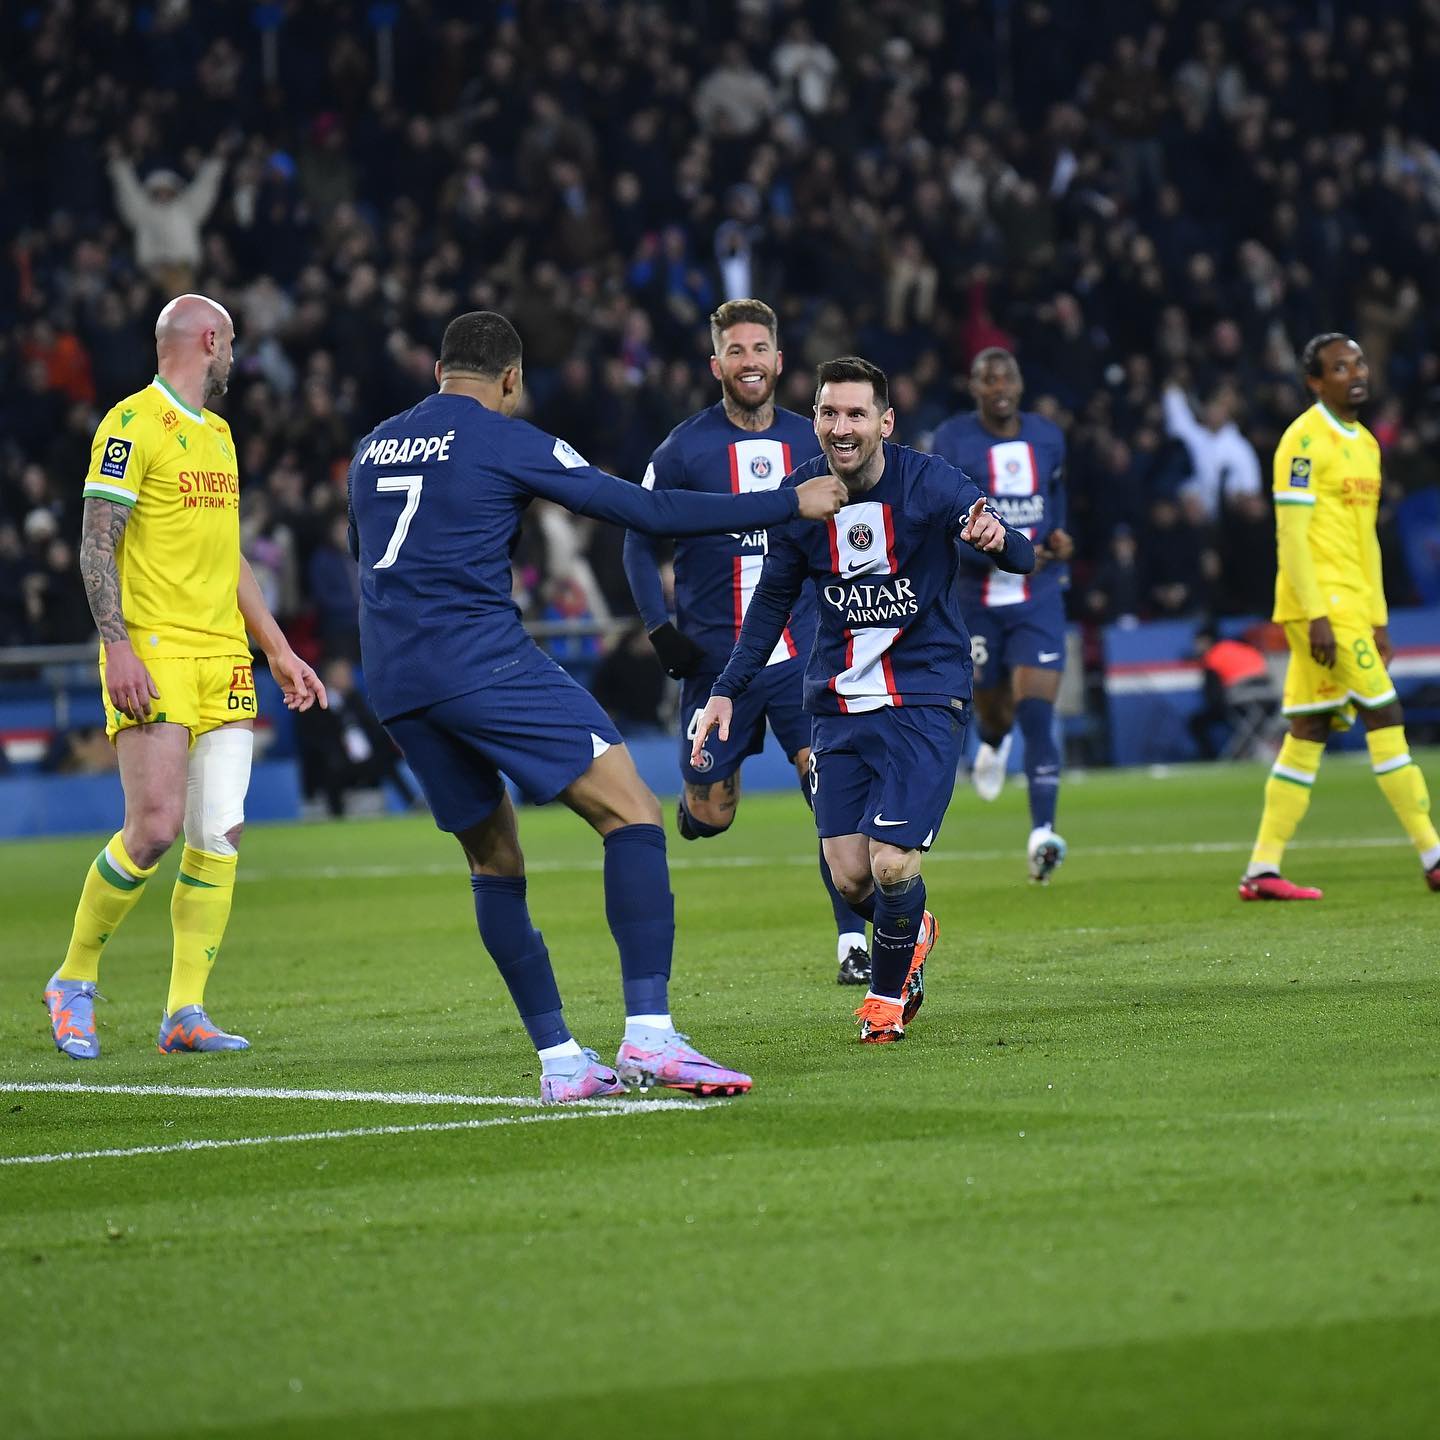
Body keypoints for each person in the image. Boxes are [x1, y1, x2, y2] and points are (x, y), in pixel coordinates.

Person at [347, 311, 848, 1101]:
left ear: (439, 370)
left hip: (396, 678)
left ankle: (561, 1062)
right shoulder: (503, 435)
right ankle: (650, 1037)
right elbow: (644, 514)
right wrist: (786, 505)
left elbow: (368, 559)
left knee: (493, 860)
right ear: (510, 379)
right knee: (635, 813)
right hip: (481, 658)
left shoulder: (373, 447)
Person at [691, 357, 1034, 1044]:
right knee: (850, 878)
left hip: (924, 696)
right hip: (839, 702)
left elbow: (1021, 554)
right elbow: (771, 603)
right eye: (827, 413)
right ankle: (913, 930)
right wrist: (725, 690)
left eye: (854, 414)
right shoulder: (800, 495)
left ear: (885, 422)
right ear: (815, 418)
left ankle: (885, 998)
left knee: (891, 862)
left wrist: (999, 540)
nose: (840, 428)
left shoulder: (931, 483)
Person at [44, 294, 326, 1060]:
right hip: (157, 649)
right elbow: (96, 546)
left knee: (217, 835)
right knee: (156, 827)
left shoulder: (222, 436)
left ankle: (184, 1011)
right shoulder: (130, 425)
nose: (234, 357)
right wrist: (121, 648)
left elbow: (228, 556)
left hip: (224, 656)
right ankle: (72, 979)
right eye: (230, 343)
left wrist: (275, 647)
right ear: (209, 339)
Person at [623, 298, 873, 988]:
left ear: (779, 360)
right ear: (717, 365)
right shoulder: (681, 451)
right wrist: (658, 628)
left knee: (828, 792)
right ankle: (696, 805)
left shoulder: (813, 441)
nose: (749, 362)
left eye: (759, 349)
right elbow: (637, 541)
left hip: (803, 658)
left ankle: (853, 941)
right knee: (713, 812)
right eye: (735, 352)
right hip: (713, 664)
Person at [1240, 334, 1440, 899]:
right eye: (1338, 367)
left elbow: (1367, 541)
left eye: (1358, 363)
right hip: (1320, 607)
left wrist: (1378, 617)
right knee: (1386, 711)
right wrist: (1315, 614)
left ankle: (1261, 869)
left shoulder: (1369, 445)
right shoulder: (1303, 440)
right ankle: (1434, 855)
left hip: (1355, 607)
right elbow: (1292, 535)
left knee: (1309, 728)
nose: (1355, 373)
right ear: (1315, 382)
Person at [931, 348, 1073, 882]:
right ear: (974, 387)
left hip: (1038, 596)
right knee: (993, 708)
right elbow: (943, 523)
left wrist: (1059, 538)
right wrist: (999, 551)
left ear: (1019, 381)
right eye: (987, 378)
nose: (998, 386)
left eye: (1006, 375)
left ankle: (1043, 833)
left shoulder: (1047, 437)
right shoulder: (952, 441)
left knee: (1036, 712)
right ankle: (991, 743)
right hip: (976, 600)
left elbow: (1055, 501)